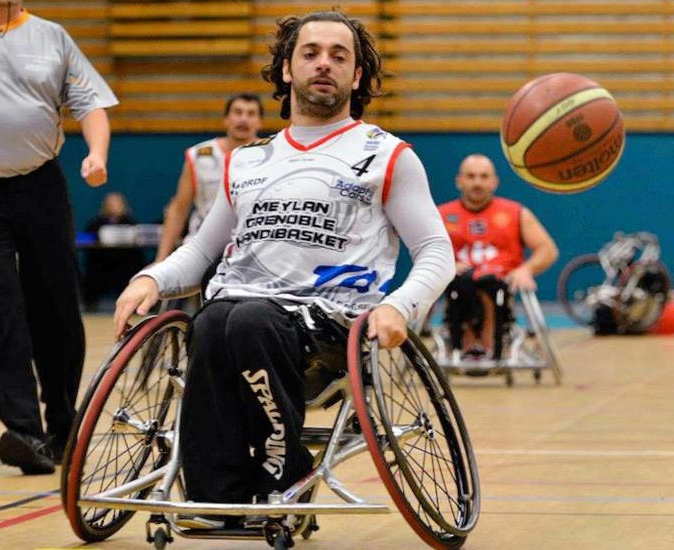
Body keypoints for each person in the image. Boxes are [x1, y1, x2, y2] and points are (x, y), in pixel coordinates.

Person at [113, 9, 453, 526]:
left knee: (242, 319)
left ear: (357, 75)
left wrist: (398, 307)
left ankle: (285, 472)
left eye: (340, 56)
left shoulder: (386, 155)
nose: (325, 64)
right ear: (287, 69)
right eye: (311, 53)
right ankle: (216, 497)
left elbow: (436, 250)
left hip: (330, 328)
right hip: (237, 317)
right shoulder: (249, 160)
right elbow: (202, 252)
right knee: (212, 319)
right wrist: (150, 279)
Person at [0, 0, 117, 475]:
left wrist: (97, 153)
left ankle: (64, 427)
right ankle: (25, 432)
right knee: (0, 306)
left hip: (40, 185)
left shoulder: (52, 37)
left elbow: (91, 104)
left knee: (59, 307)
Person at [438, 153, 559, 359]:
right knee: (461, 285)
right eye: (471, 176)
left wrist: (526, 269)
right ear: (459, 181)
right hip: (459, 279)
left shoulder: (515, 212)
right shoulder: (441, 214)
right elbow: (421, 251)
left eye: (484, 177)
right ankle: (463, 343)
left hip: (500, 280)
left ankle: (491, 343)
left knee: (492, 286)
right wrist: (446, 264)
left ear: (494, 182)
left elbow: (548, 249)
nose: (477, 182)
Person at [155, 93, 264, 262]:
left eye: (251, 114)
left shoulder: (271, 155)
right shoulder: (199, 155)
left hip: (252, 247)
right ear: (226, 119)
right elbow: (178, 209)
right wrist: (160, 259)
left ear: (259, 122)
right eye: (237, 112)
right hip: (202, 245)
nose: (243, 119)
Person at [81, 193, 145, 311]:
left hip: (124, 266)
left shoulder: (131, 223)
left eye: (117, 203)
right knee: (92, 276)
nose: (114, 206)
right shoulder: (96, 224)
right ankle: (90, 307)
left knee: (134, 272)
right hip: (102, 265)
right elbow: (86, 240)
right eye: (111, 204)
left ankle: (135, 307)